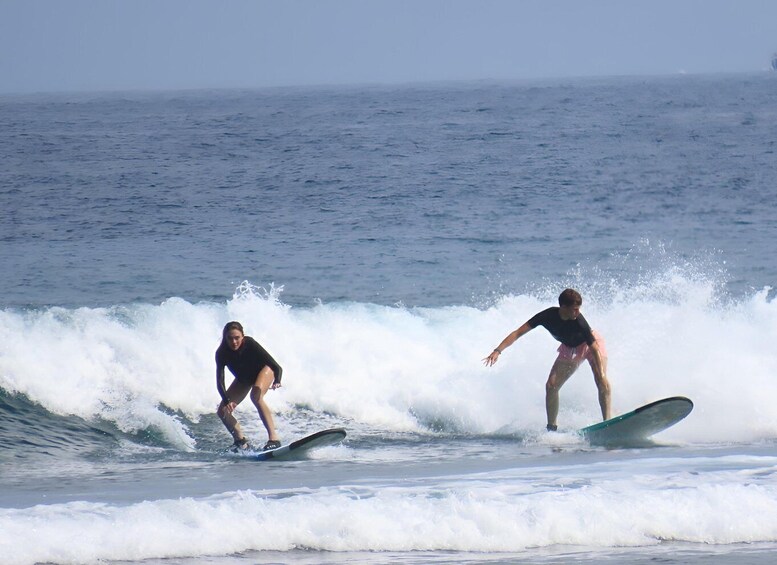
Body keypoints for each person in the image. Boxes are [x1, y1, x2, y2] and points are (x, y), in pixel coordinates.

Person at [483, 288, 611, 431]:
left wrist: (602, 373)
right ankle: (551, 429)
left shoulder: (580, 321)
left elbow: (593, 347)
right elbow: (518, 333)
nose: (578, 312)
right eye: (574, 309)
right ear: (563, 307)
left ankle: (608, 423)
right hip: (569, 349)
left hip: (591, 344)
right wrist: (498, 350)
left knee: (601, 379)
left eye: (579, 309)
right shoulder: (547, 316)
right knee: (551, 386)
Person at [216, 321, 283, 451]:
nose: (234, 342)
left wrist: (277, 380)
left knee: (255, 397)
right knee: (222, 410)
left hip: (264, 371)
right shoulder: (221, 353)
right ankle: (240, 441)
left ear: (242, 336)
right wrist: (227, 400)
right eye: (230, 338)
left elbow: (276, 366)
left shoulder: (250, 344)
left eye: (237, 338)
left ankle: (274, 439)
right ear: (225, 338)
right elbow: (219, 380)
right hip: (244, 379)